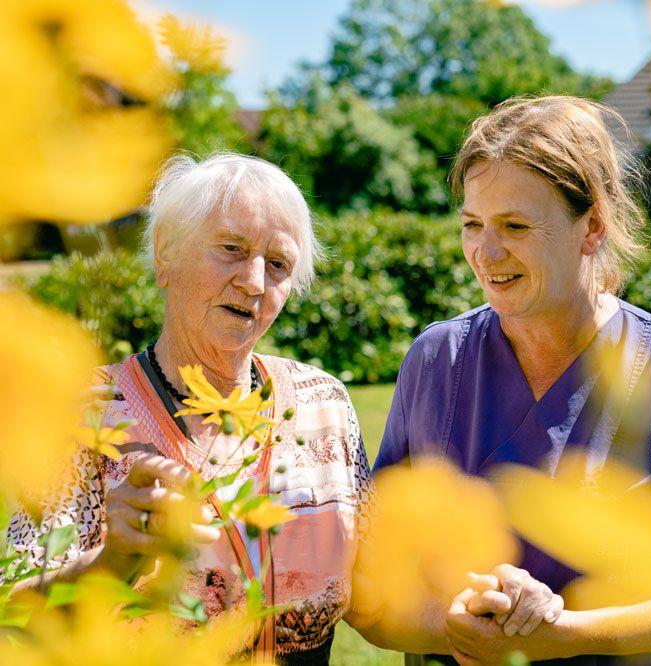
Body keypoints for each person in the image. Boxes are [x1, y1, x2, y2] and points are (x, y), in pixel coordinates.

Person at [7, 153, 559, 664]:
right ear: (166, 254)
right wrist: (111, 563)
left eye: (277, 264)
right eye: (230, 248)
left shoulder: (321, 403)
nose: (252, 282)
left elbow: (370, 596)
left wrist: (486, 609)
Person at [374, 96, 651, 665]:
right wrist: (454, 624)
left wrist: (562, 633)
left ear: (592, 228)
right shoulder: (437, 360)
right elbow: (377, 566)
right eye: (472, 224)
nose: (486, 251)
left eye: (515, 225)